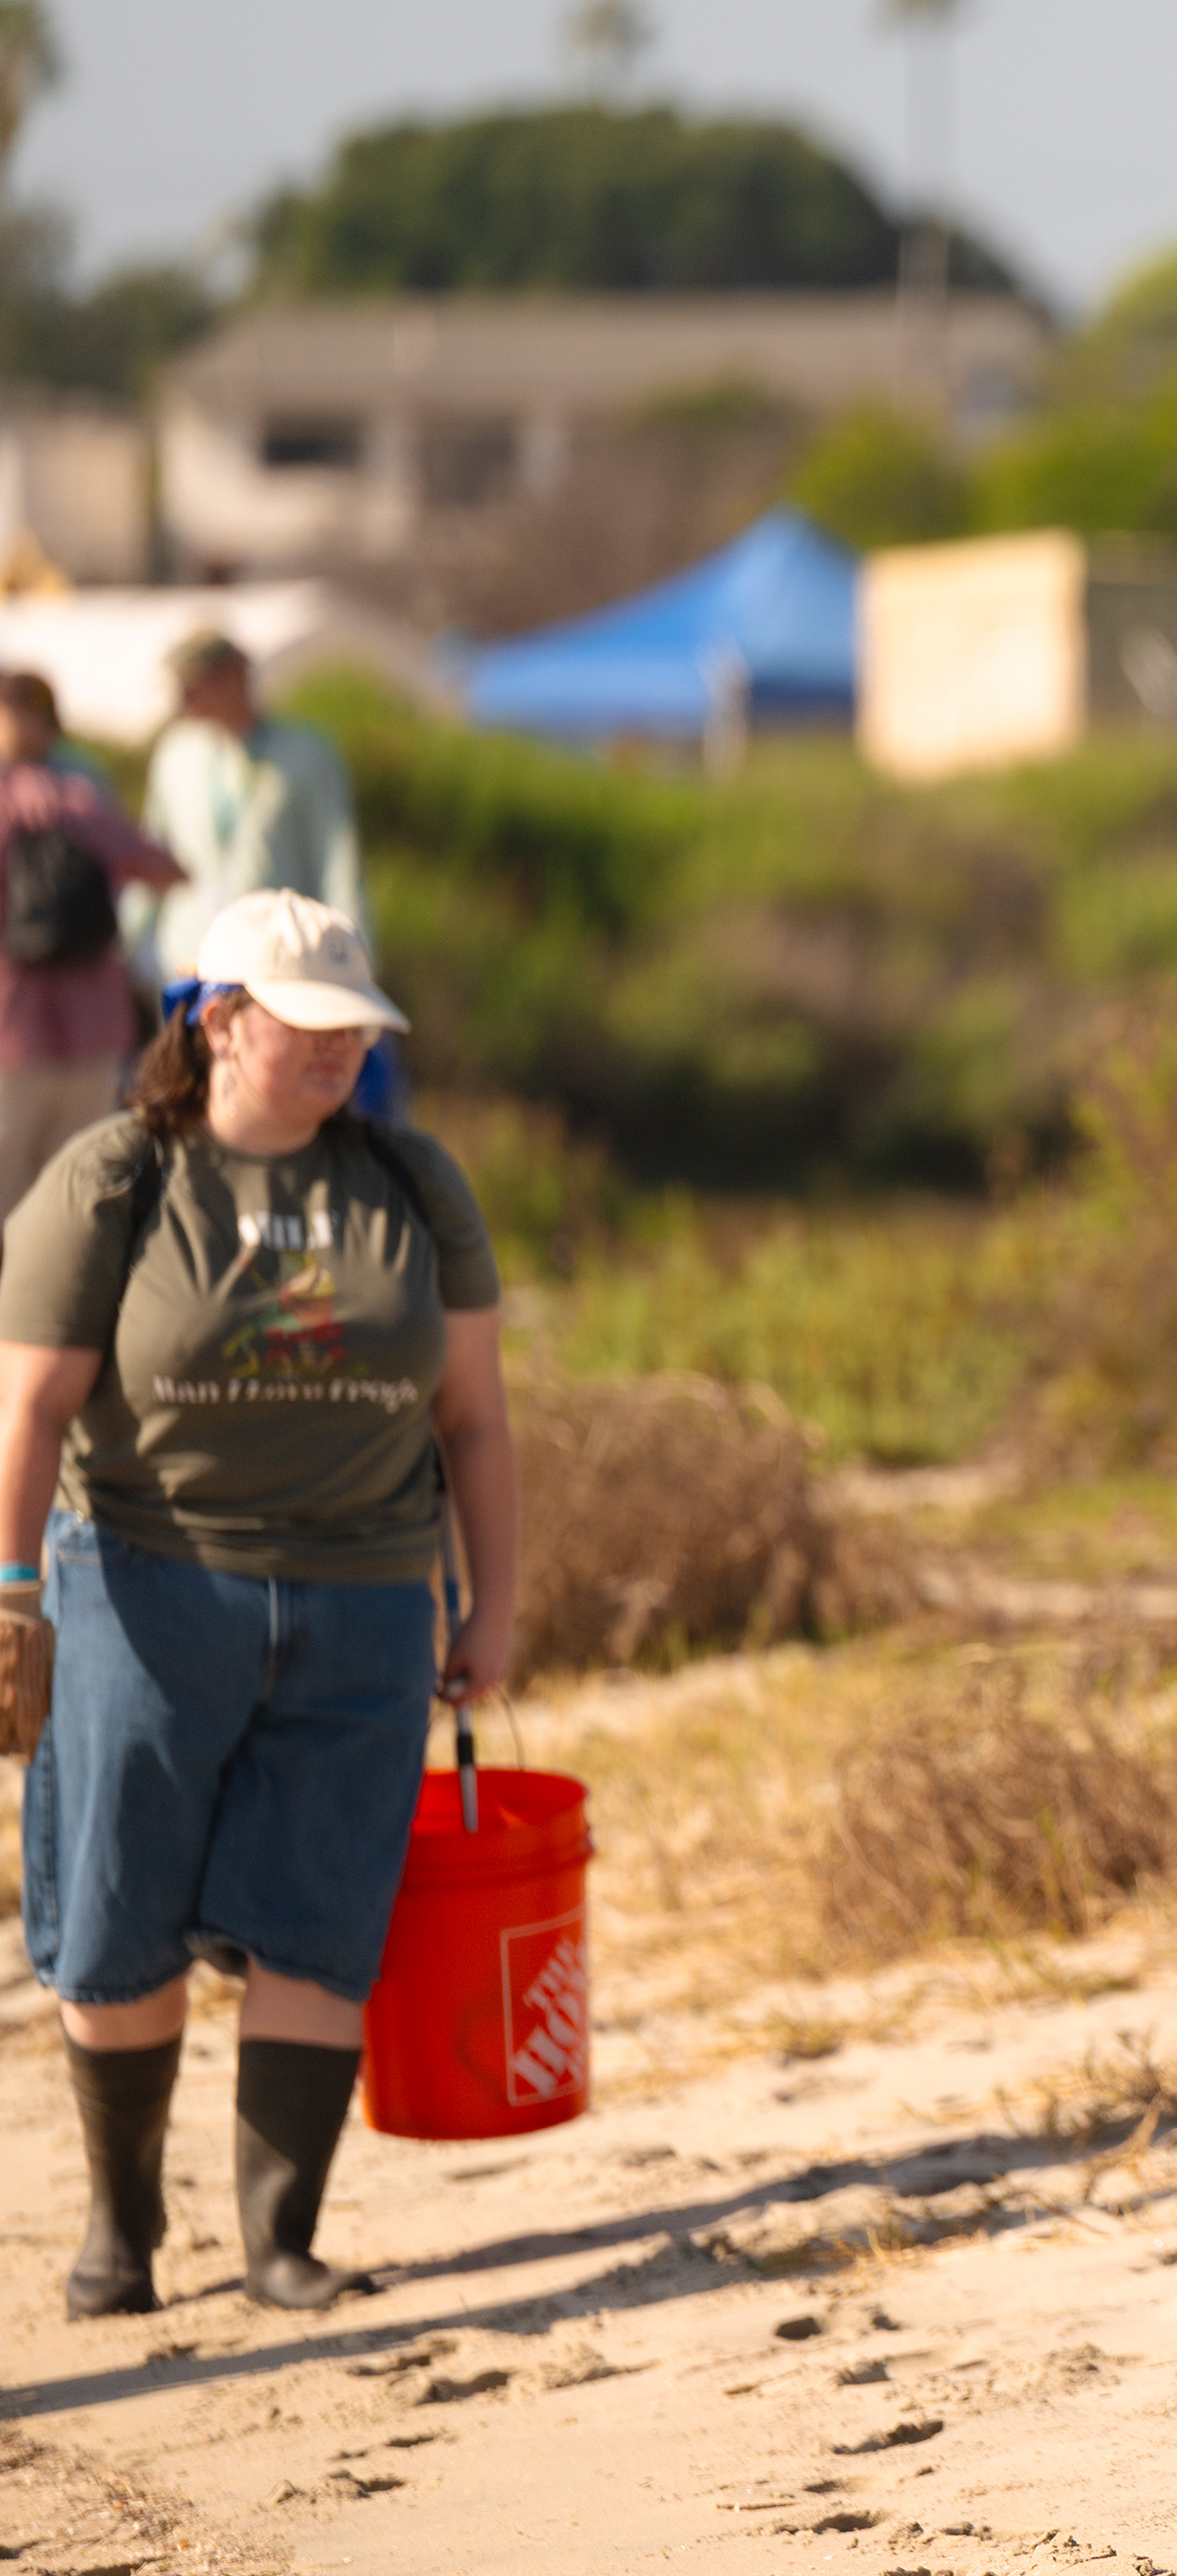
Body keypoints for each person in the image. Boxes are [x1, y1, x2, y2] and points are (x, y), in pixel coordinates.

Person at [0, 889, 519, 2318]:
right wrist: (9, 1596)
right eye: (309, 1026)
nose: (341, 1052)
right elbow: (29, 1408)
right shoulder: (112, 1180)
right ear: (218, 1020)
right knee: (116, 1918)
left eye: (359, 1029)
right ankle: (121, 2235)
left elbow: (473, 1418)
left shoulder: (412, 1183)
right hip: (146, 1588)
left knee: (318, 1918)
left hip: (362, 1599)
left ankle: (280, 2244)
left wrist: (493, 1605)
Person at [0, 671, 188, 1219]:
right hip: (83, 1024)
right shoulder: (85, 791)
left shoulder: (56, 792)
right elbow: (163, 868)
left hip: (22, 1026)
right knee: (74, 1189)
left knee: (24, 1187)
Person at [130, 632, 367, 986]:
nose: (184, 699)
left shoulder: (304, 755)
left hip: (277, 957)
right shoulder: (175, 753)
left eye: (195, 685)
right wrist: (128, 942)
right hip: (187, 954)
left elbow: (336, 861)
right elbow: (152, 850)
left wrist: (356, 958)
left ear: (236, 677)